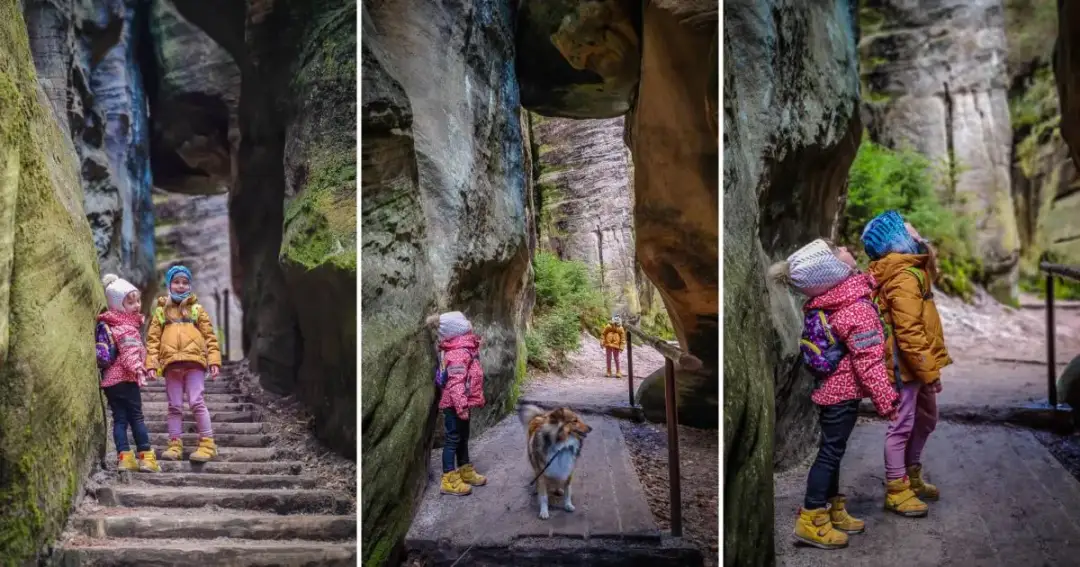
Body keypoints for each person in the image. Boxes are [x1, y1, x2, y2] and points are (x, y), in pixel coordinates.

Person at [770, 239, 900, 550]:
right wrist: (887, 400)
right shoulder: (854, 306)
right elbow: (868, 360)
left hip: (830, 390)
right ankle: (811, 518)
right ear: (834, 269)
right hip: (843, 393)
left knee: (833, 450)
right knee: (829, 453)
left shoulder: (830, 302)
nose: (844, 246)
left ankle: (831, 509)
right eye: (837, 249)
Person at [862, 210, 951, 518]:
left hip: (917, 364)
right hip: (906, 367)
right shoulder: (901, 277)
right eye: (909, 230)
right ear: (895, 241)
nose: (917, 233)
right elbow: (909, 332)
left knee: (927, 418)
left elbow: (931, 267)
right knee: (901, 425)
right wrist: (929, 374)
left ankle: (911, 474)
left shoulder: (911, 269)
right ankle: (896, 489)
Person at [145, 265, 222, 463]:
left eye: (185, 282)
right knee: (174, 406)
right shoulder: (161, 311)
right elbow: (153, 340)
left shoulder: (196, 310)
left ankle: (207, 443)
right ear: (169, 284)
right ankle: (174, 444)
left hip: (195, 362)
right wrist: (152, 364)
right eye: (176, 282)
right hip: (171, 365)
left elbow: (210, 337)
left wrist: (213, 360)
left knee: (196, 401)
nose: (181, 286)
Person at [96, 274, 160, 473]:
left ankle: (124, 458)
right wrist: (138, 370)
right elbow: (129, 353)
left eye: (138, 300)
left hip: (110, 382)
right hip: (126, 378)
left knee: (120, 419)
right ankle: (146, 457)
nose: (137, 305)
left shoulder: (111, 323)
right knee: (137, 418)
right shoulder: (127, 328)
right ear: (118, 304)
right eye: (130, 302)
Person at [428, 311, 487, 496]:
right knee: (453, 439)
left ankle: (464, 469)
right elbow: (455, 384)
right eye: (466, 324)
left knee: (462, 437)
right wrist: (461, 407)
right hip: (454, 406)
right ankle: (448, 479)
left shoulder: (463, 349)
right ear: (459, 331)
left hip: (461, 404)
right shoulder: (457, 353)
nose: (470, 325)